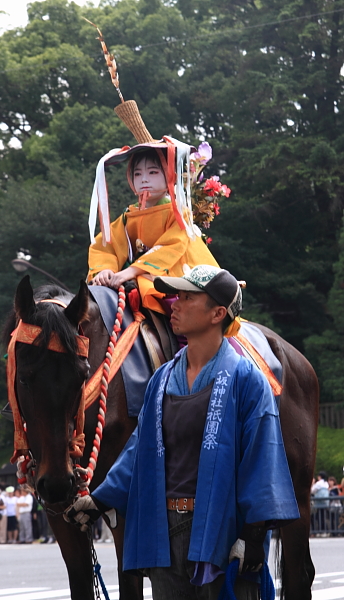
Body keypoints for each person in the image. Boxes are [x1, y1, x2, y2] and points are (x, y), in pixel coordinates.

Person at [66, 265, 299, 599]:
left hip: (219, 528)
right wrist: (99, 500)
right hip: (163, 530)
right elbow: (139, 449)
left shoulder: (247, 379)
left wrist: (252, 537)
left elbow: (262, 460)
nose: (174, 303)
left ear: (218, 313)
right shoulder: (162, 379)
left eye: (188, 298)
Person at [87, 141, 219, 313]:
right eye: (137, 173)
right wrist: (105, 269)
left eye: (153, 172)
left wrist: (133, 271)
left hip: (173, 273)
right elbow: (106, 245)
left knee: (175, 306)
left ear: (170, 176)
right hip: (136, 275)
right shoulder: (128, 216)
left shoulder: (178, 214)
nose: (144, 179)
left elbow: (170, 246)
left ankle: (183, 340)